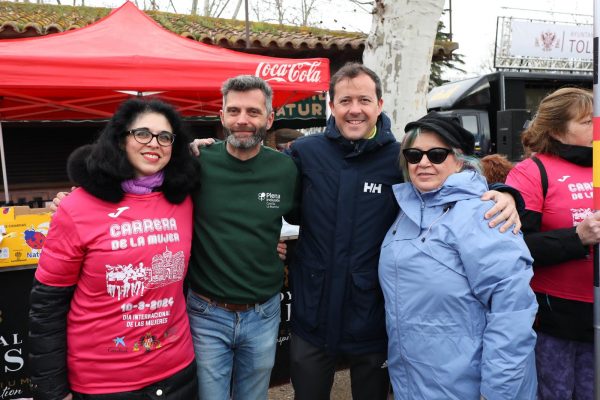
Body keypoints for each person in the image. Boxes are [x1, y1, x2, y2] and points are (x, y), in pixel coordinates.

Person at [286, 62, 522, 400]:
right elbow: (279, 204)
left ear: (380, 105)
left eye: (365, 100)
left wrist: (504, 192)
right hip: (313, 312)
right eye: (346, 101)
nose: (355, 110)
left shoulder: (401, 157)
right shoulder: (305, 153)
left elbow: (451, 184)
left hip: (373, 317)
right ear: (332, 105)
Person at [28, 98, 199, 399]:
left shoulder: (183, 199)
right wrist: (53, 391)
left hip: (177, 374)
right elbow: (47, 305)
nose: (154, 143)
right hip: (104, 384)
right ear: (120, 139)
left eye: (165, 137)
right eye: (142, 133)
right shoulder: (76, 207)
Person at [379, 112, 538, 399]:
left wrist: (498, 392)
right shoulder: (405, 209)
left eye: (437, 154)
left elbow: (511, 312)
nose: (424, 162)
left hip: (468, 385)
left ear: (459, 159)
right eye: (414, 155)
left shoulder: (483, 214)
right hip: (413, 382)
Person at [185, 75, 300, 399]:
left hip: (263, 312)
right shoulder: (197, 162)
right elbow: (141, 182)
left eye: (252, 111)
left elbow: (303, 220)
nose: (243, 120)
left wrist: (280, 249)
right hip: (207, 313)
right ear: (221, 116)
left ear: (269, 118)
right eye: (234, 111)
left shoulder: (285, 169)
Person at [505, 87, 600, 400]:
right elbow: (513, 248)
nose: (596, 127)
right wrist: (577, 237)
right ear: (558, 128)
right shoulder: (532, 172)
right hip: (554, 317)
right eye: (587, 121)